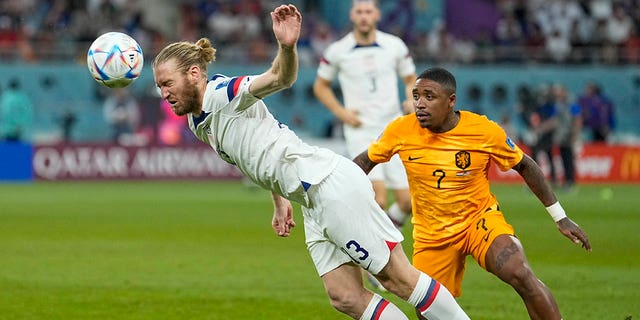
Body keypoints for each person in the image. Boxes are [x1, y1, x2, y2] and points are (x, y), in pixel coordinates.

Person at [152, 5, 469, 320]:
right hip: (308, 199)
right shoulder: (196, 122)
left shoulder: (224, 93)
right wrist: (277, 199)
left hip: (327, 186)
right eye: (160, 86)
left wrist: (286, 47)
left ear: (194, 74)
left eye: (167, 83)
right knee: (345, 296)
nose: (163, 92)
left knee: (397, 277)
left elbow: (279, 77)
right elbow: (252, 150)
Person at [353, 67, 592, 320]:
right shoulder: (401, 130)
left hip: (478, 222)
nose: (419, 104)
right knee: (428, 313)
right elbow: (362, 164)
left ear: (451, 101)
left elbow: (525, 165)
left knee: (519, 272)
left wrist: (560, 216)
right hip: (432, 236)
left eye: (429, 97)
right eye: (416, 96)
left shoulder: (482, 131)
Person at [313, 0, 414, 231]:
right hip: (362, 130)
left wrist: (410, 99)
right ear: (352, 15)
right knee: (378, 200)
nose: (364, 16)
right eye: (359, 12)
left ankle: (382, 242)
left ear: (377, 15)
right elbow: (320, 86)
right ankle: (379, 256)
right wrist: (341, 112)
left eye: (368, 11)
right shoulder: (337, 50)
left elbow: (410, 79)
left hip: (394, 127)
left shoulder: (394, 45)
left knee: (407, 201)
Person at [552, 83, 581, 191]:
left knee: (569, 159)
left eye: (559, 92)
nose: (557, 95)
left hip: (569, 135)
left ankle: (570, 181)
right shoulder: (558, 105)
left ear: (564, 92)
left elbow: (577, 119)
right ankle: (567, 181)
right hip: (561, 136)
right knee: (564, 158)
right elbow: (555, 121)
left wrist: (575, 135)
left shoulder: (571, 104)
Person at [0, 78, 33, 142]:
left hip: (6, 128)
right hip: (18, 128)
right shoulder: (23, 97)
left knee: (5, 147)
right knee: (16, 147)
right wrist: (22, 124)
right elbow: (28, 112)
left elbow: (4, 112)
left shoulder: (5, 97)